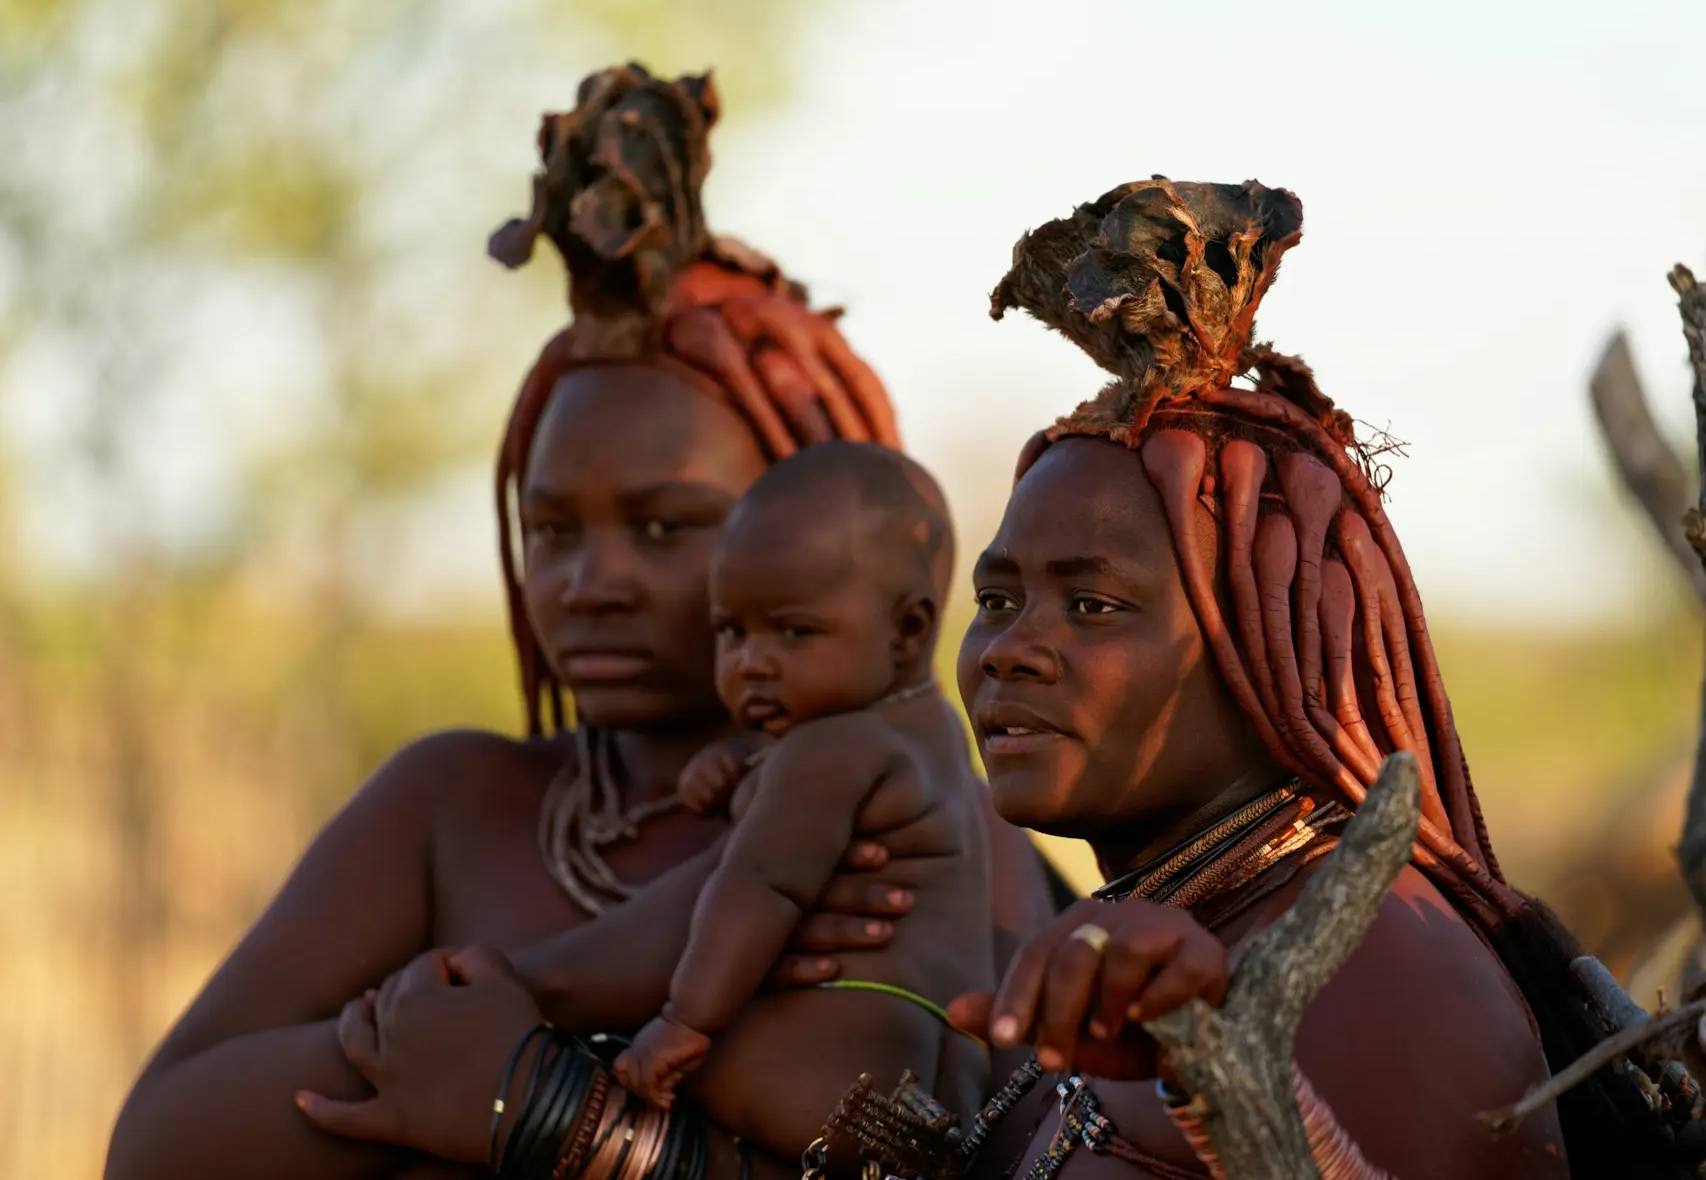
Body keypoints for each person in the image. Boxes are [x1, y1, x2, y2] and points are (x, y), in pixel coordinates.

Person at [304, 176, 1684, 1179]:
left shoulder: (1366, 963)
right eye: (999, 596)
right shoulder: (1150, 937)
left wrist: (555, 1113)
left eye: (1094, 603)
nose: (1010, 647)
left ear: (1270, 652)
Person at [104, 64, 1058, 1180]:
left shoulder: (922, 819)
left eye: (664, 528)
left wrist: (539, 1091)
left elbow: (979, 1149)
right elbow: (161, 1142)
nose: (589, 580)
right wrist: (461, 1045)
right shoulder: (451, 803)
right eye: (550, 530)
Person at [613, 442, 993, 1158]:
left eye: (794, 631)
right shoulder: (932, 727)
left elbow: (758, 884)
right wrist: (744, 765)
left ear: (909, 629)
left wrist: (682, 1021)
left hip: (838, 1075)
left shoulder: (826, 752)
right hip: (945, 1074)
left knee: (587, 1062)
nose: (752, 661)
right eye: (732, 632)